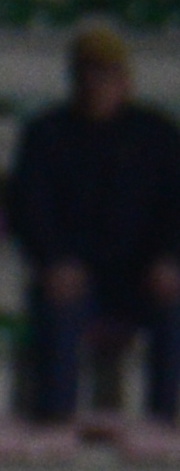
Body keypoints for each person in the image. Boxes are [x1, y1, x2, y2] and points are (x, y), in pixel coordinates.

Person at [12, 27, 180, 419]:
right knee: (57, 300)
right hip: (75, 272)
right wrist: (53, 260)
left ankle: (166, 422)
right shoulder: (46, 135)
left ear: (124, 81)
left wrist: (170, 258)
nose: (96, 85)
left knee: (174, 301)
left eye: (106, 75)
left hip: (138, 275)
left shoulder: (157, 137)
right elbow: (29, 209)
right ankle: (55, 422)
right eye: (88, 74)